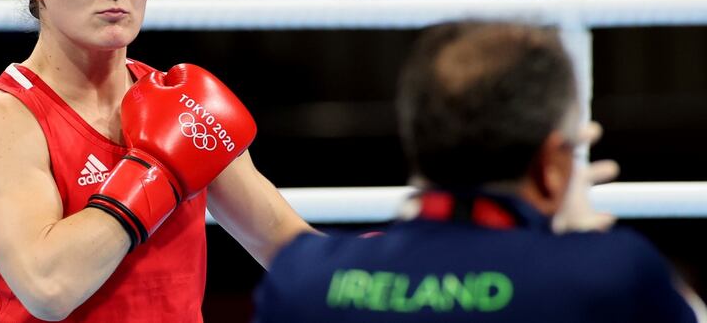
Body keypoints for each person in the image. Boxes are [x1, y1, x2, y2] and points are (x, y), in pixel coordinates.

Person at [0, 0, 312, 322]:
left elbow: (284, 245)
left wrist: (385, 268)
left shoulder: (184, 107)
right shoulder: (1, 121)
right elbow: (48, 288)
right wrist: (157, 171)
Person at [254, 21, 701, 322]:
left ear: (416, 138)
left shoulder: (303, 278)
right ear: (553, 166)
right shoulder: (611, 274)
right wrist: (579, 240)